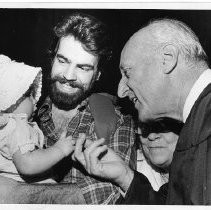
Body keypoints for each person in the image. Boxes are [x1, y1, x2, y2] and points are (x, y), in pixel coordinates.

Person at [0, 12, 136, 204]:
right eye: (62, 61)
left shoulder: (116, 121)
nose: (68, 75)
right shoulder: (21, 110)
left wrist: (14, 194)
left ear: (97, 74)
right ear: (52, 58)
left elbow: (110, 194)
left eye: (83, 68)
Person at [74, 18, 211, 205]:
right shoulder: (197, 123)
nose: (121, 91)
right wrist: (125, 175)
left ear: (168, 59)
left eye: (128, 73)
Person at [0, 54, 76, 184]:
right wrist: (59, 150)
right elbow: (27, 164)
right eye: (28, 95)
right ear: (10, 100)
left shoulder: (8, 127)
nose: (34, 100)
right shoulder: (17, 127)